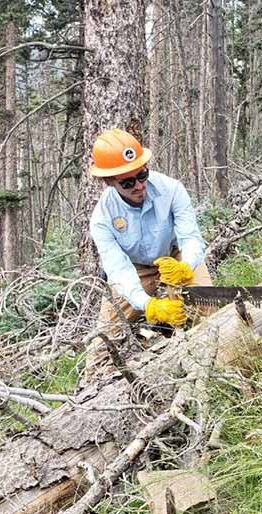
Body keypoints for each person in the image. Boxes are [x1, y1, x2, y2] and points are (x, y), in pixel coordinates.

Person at [83, 128, 213, 378]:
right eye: (128, 182)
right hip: (135, 269)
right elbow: (118, 270)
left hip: (176, 258)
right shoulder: (102, 218)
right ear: (109, 182)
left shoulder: (172, 189)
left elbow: (191, 238)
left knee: (206, 310)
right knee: (104, 341)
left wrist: (186, 266)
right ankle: (91, 390)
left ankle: (211, 367)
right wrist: (149, 305)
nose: (139, 185)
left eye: (142, 175)